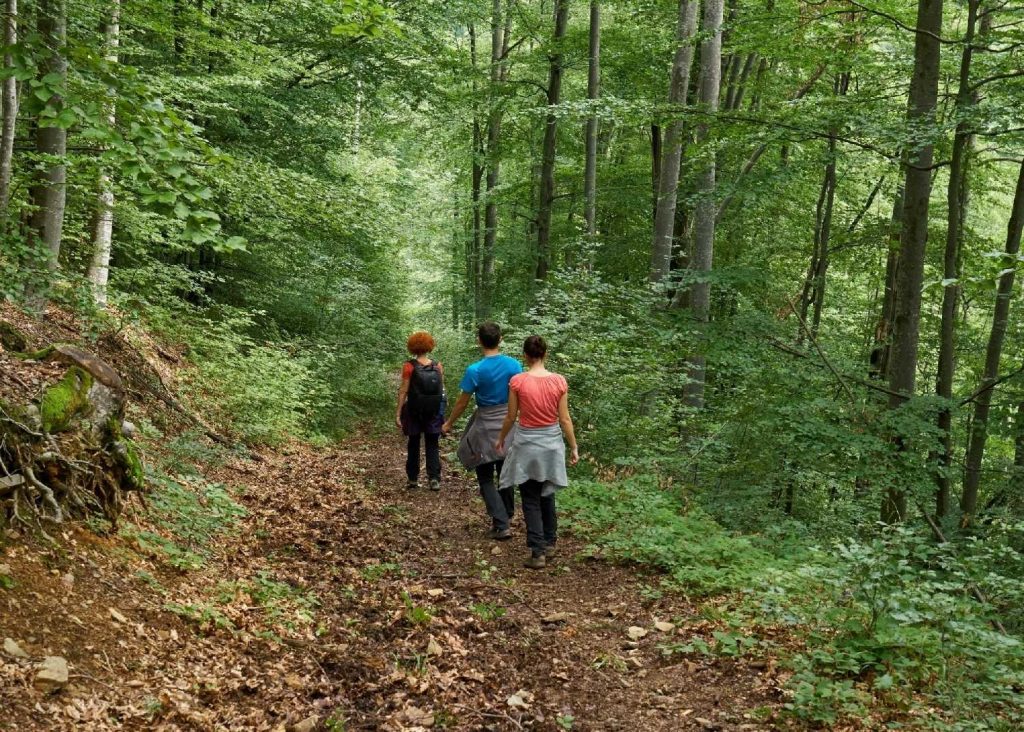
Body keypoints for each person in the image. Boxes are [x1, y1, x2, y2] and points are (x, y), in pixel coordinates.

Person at [495, 335, 579, 569]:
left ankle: (537, 551)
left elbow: (511, 416)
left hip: (527, 444)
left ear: (525, 355)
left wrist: (501, 439)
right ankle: (550, 543)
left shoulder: (517, 381)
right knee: (547, 492)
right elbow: (564, 419)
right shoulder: (559, 381)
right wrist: (573, 446)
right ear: (545, 354)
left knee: (530, 496)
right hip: (551, 444)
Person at [443, 322, 522, 540]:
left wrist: (449, 423)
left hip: (485, 426)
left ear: (479, 340)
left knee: (485, 477)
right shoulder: (514, 365)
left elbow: (462, 403)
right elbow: (521, 394)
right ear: (500, 339)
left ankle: (501, 523)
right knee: (505, 474)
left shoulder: (475, 370)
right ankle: (506, 515)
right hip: (508, 424)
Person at [397, 331, 445, 491]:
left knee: (413, 443)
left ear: (412, 347)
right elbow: (441, 390)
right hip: (433, 410)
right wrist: (442, 411)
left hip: (414, 410)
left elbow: (403, 390)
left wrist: (398, 413)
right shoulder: (437, 366)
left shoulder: (409, 366)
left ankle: (412, 478)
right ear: (430, 346)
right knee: (432, 443)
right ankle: (434, 478)